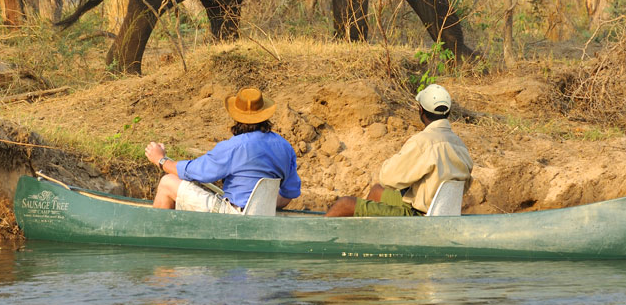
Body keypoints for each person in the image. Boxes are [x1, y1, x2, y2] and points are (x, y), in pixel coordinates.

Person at [145, 87, 301, 213]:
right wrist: (259, 206)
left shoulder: (234, 146)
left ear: (236, 117)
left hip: (234, 215)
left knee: (167, 182)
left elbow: (195, 172)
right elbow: (289, 194)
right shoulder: (285, 146)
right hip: (263, 213)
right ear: (265, 115)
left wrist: (161, 160)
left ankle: (154, 236)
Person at [325, 83, 473, 217]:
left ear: (421, 110)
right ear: (447, 112)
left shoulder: (422, 141)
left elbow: (387, 178)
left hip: (418, 216)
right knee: (377, 191)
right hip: (440, 214)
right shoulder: (460, 145)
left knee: (344, 204)